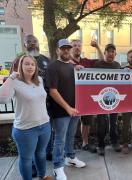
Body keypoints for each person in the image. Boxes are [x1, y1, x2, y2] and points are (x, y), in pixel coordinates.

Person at [0, 55, 52, 180]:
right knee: (27, 159)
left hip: (44, 125)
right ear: (20, 66)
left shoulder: (39, 80)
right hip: (25, 129)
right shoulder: (15, 82)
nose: (30, 66)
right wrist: (11, 77)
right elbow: (2, 99)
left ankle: (42, 176)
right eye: (26, 64)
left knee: (41, 154)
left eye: (32, 64)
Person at [46, 39, 86, 180]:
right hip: (60, 111)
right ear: (57, 50)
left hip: (74, 110)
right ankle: (58, 167)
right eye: (63, 48)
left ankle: (70, 157)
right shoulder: (52, 67)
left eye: (68, 48)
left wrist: (78, 70)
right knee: (59, 139)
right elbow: (53, 91)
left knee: (70, 136)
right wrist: (68, 108)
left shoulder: (71, 66)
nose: (66, 51)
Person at [70, 39, 103, 153]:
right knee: (71, 124)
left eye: (79, 45)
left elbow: (102, 60)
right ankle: (69, 148)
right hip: (71, 98)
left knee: (86, 122)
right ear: (70, 48)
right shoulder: (66, 61)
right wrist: (73, 67)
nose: (77, 47)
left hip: (85, 98)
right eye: (74, 45)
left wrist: (97, 47)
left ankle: (85, 143)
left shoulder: (86, 61)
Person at [93, 43, 122, 156]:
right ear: (104, 53)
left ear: (115, 54)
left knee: (114, 123)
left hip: (114, 98)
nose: (110, 53)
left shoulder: (117, 65)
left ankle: (114, 142)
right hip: (101, 98)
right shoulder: (97, 64)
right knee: (101, 124)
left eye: (113, 52)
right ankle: (101, 145)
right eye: (108, 51)